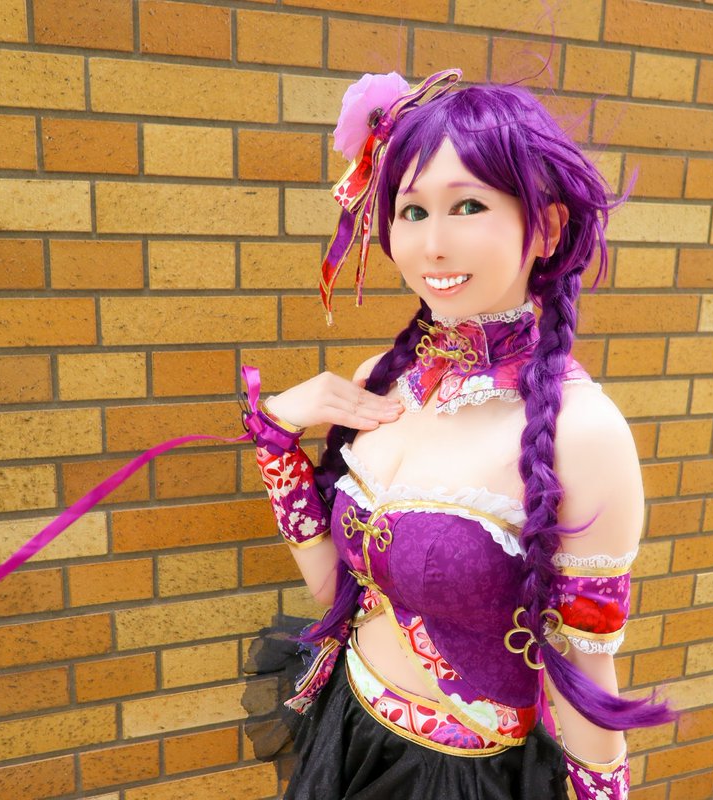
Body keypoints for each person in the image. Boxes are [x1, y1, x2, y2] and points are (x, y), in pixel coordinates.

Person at [239, 68, 674, 800]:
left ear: (547, 228)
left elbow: (586, 678)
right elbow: (330, 587)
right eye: (411, 211)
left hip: (461, 780)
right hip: (346, 729)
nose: (432, 245)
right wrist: (275, 440)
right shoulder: (382, 379)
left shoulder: (583, 434)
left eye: (468, 205)